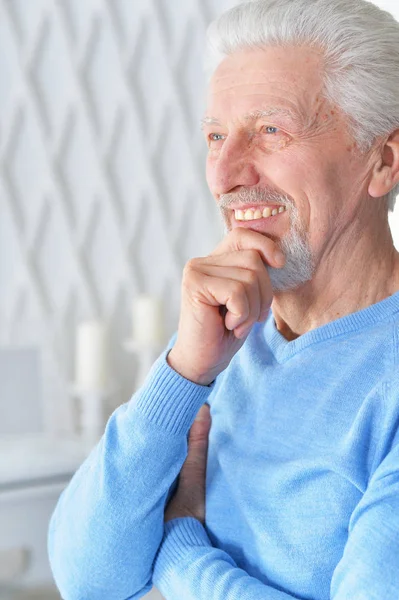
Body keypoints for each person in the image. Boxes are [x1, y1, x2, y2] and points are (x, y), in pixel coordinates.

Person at [48, 0, 399, 598]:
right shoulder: (224, 334)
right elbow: (88, 579)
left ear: (383, 161)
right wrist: (184, 370)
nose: (226, 173)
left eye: (270, 130)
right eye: (215, 135)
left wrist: (181, 548)